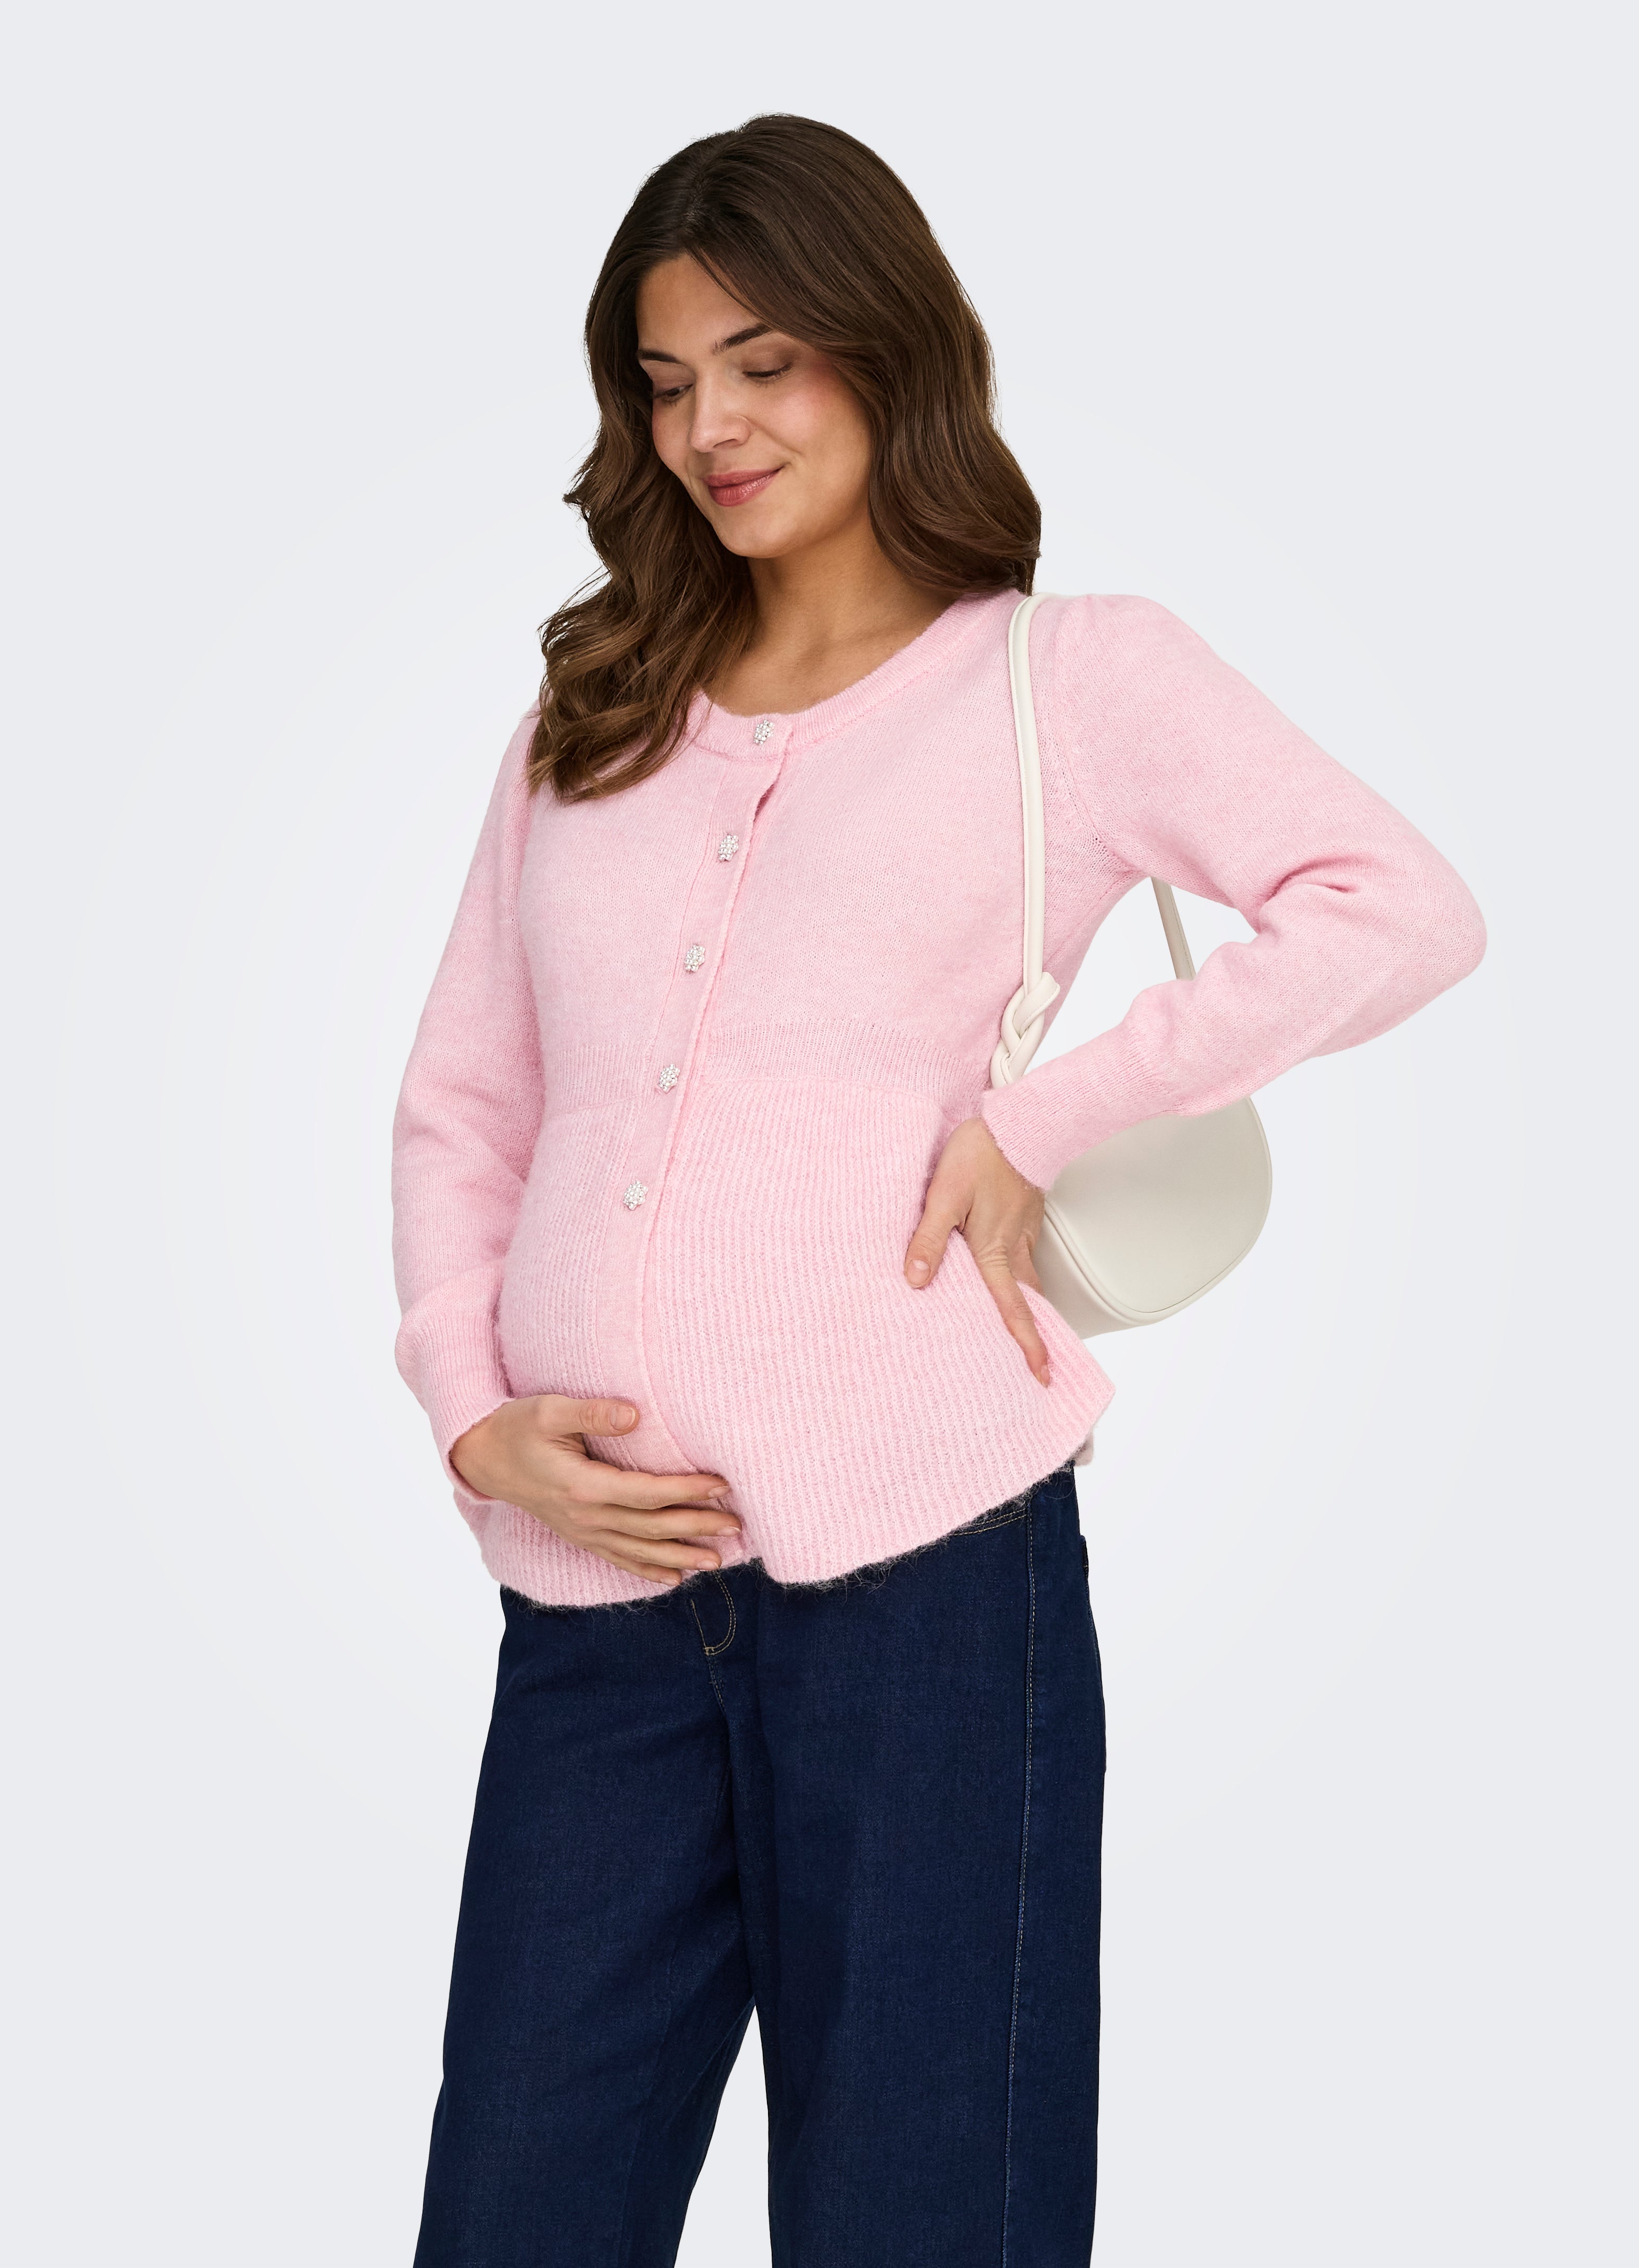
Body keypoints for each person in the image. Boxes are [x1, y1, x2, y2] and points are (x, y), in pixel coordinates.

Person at [391, 114, 1485, 2268]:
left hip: (929, 1599)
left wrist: (1045, 1120)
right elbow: (463, 1102)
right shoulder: (588, 717)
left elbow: (1398, 906)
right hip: (595, 1600)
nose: (711, 426)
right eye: (666, 380)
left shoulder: (1068, 681)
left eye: (765, 363)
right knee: (516, 2208)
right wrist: (467, 1408)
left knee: (927, 2223)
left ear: (889, 350)